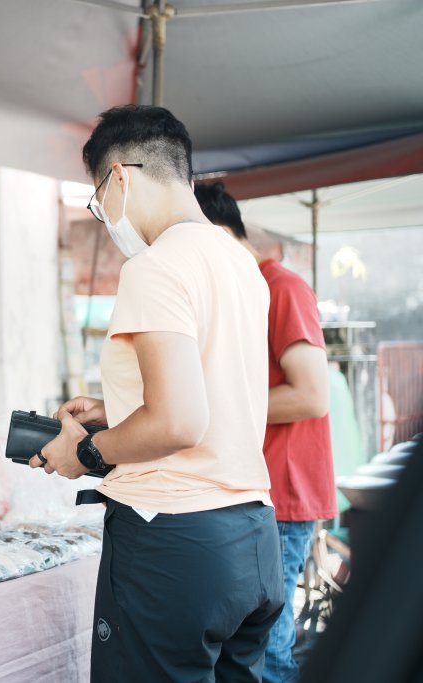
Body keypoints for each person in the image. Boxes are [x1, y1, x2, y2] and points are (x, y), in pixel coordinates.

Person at [31, 105, 284, 681]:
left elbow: (177, 422)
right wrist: (112, 408)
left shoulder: (156, 267)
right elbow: (215, 388)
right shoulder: (240, 264)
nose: (104, 218)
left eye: (98, 202)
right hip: (252, 534)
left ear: (119, 176)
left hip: (175, 538)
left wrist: (85, 453)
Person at [196, 182, 335, 683]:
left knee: (268, 651)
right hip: (250, 493)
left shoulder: (283, 289)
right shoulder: (237, 294)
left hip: (283, 495)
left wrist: (214, 406)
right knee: (245, 648)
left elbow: (311, 395)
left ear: (215, 234)